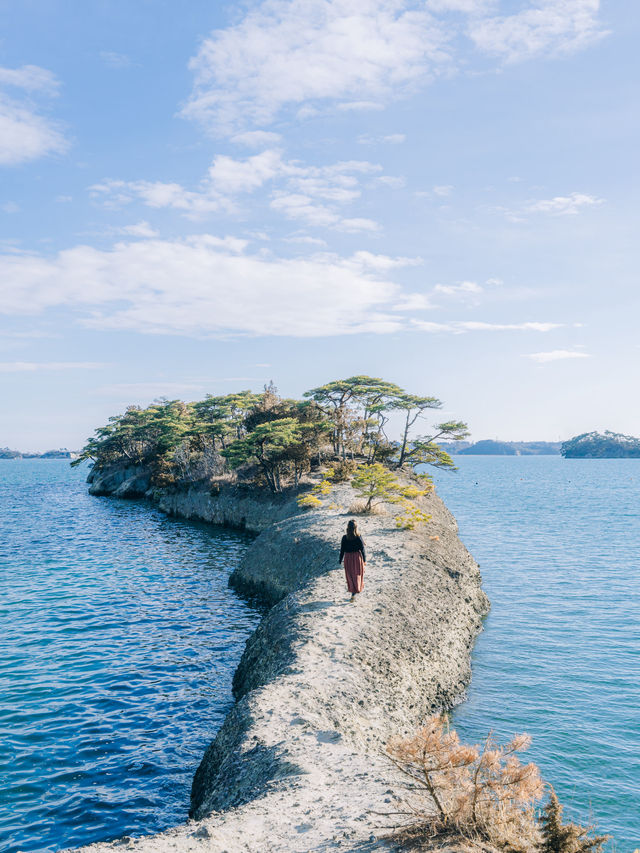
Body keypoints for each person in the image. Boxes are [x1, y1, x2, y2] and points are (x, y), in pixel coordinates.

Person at [339, 519, 366, 600]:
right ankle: (356, 591)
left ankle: (353, 592)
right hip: (357, 557)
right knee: (357, 574)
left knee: (350, 575)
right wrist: (364, 560)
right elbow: (362, 549)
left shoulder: (344, 537)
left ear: (348, 527)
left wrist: (340, 560)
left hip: (347, 558)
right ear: (356, 527)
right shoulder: (358, 537)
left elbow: (342, 550)